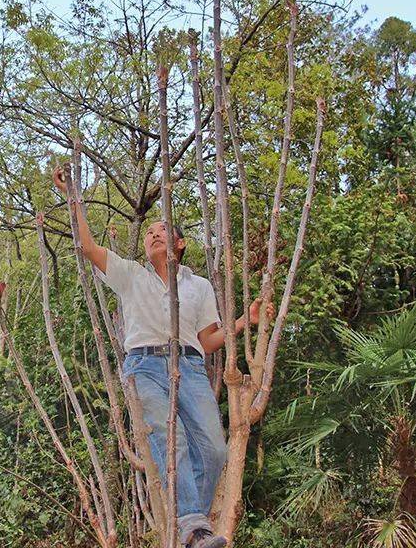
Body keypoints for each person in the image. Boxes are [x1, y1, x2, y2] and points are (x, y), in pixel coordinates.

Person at [53, 165, 266, 548]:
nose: (152, 234)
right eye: (149, 232)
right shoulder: (131, 275)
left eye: (161, 230)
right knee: (173, 444)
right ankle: (194, 529)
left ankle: (190, 529)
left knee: (214, 450)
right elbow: (88, 247)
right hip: (145, 366)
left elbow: (208, 340)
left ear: (180, 243)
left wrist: (243, 322)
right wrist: (72, 195)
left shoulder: (199, 286)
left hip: (191, 366)